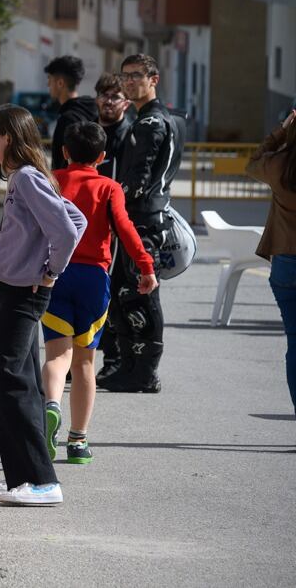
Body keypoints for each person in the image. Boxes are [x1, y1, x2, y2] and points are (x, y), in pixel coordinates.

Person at [0, 105, 85, 507]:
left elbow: (66, 229)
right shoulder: (27, 178)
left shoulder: (25, 177)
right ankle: (20, 476)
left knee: (10, 382)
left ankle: (41, 480)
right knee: (18, 378)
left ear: (8, 137)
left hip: (24, 291)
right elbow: (76, 220)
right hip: (13, 288)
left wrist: (51, 271)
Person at [43, 122, 156, 465]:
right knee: (85, 362)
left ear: (64, 151)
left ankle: (50, 406)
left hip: (54, 275)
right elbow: (124, 227)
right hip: (94, 279)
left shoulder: (51, 180)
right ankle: (78, 442)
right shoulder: (108, 187)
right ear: (103, 157)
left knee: (55, 357)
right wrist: (146, 266)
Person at [97, 53, 183, 394]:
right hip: (143, 219)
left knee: (139, 295)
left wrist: (106, 200)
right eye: (125, 76)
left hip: (142, 222)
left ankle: (144, 372)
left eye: (137, 76)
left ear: (154, 80)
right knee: (124, 293)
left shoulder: (151, 124)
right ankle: (131, 368)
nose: (130, 81)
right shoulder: (157, 119)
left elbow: (138, 182)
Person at [245, 106, 296, 415]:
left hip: (286, 263)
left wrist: (280, 131)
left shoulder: (279, 165)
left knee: (294, 343)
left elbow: (251, 163)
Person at [93, 72, 134, 375]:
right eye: (104, 94)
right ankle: (76, 355)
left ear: (126, 102)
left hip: (115, 226)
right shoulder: (90, 132)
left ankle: (113, 358)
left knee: (112, 290)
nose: (108, 101)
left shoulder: (129, 135)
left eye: (115, 96)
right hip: (86, 225)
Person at [44, 55, 98, 172]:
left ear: (60, 83)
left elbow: (62, 162)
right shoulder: (92, 109)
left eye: (50, 79)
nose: (48, 85)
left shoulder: (68, 119)